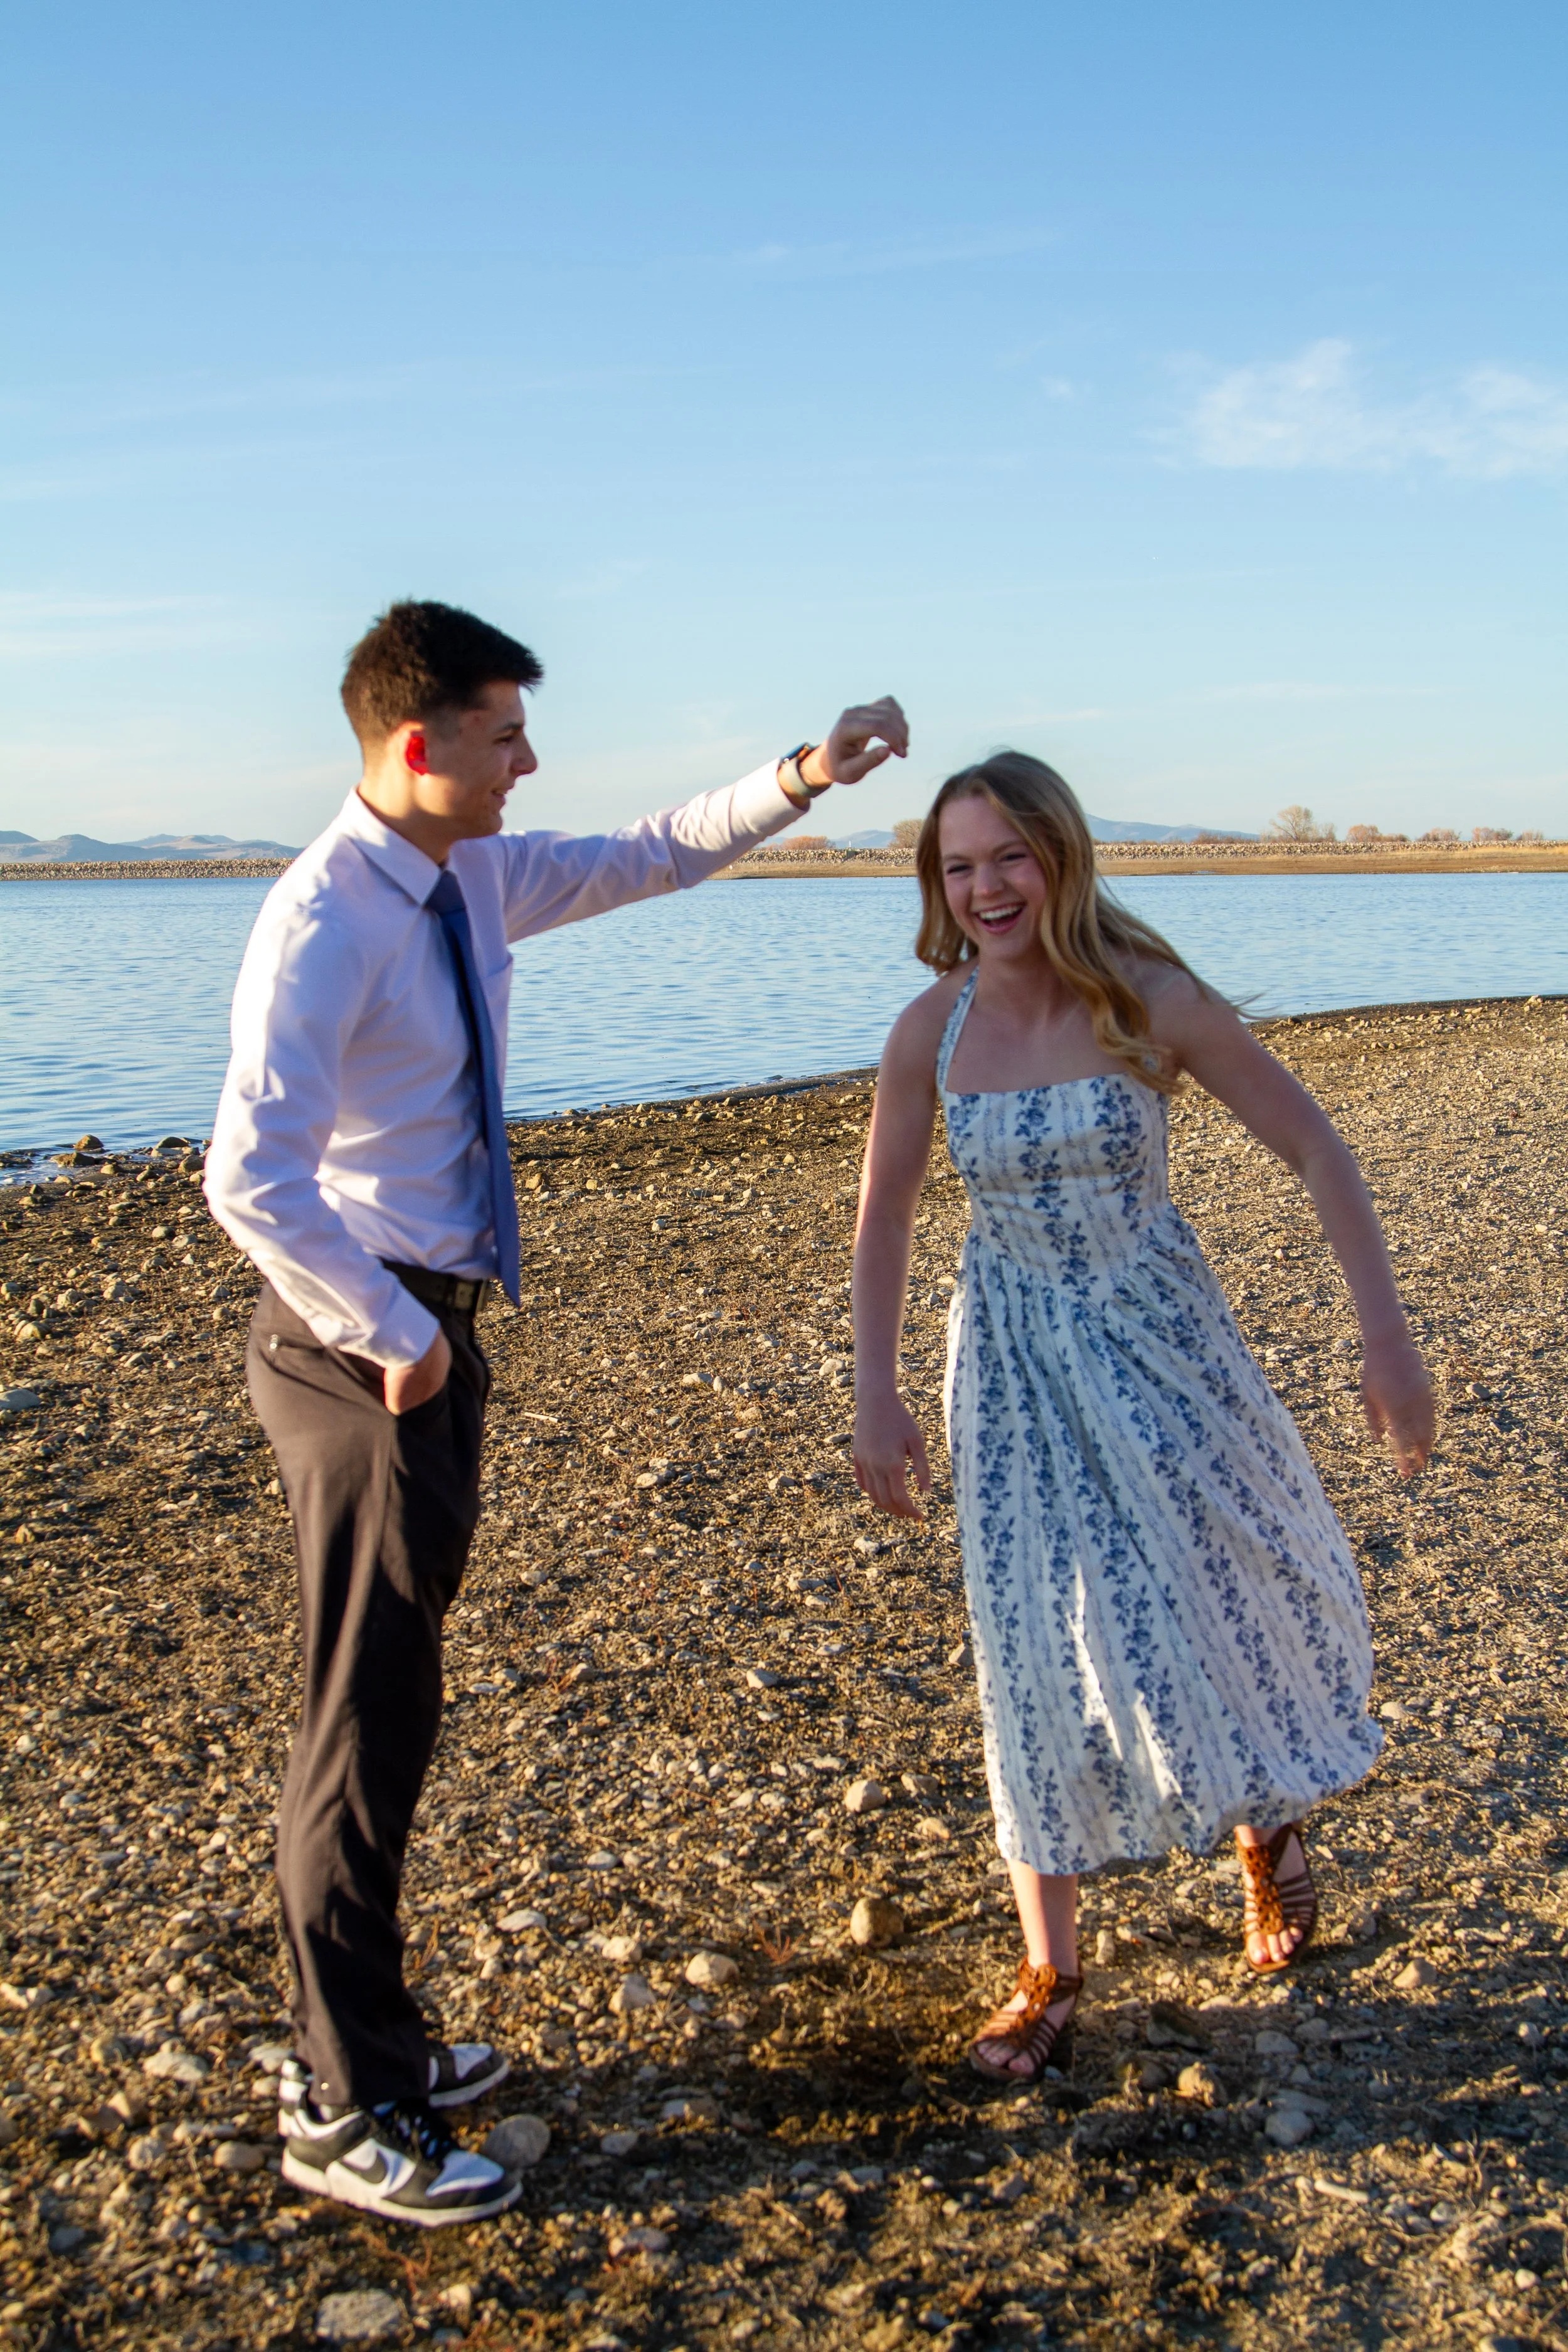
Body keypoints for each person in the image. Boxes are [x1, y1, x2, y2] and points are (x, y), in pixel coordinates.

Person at [204, 598, 907, 2220]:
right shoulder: (327, 917)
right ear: (414, 742)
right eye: (507, 732)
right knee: (359, 1723)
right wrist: (391, 1332)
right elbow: (247, 1172)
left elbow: (653, 849)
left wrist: (804, 769)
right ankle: (341, 2095)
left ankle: (370, 2029)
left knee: (396, 1708)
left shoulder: (464, 874)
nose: (532, 759)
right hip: (357, 1345)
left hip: (421, 1330)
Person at [851, 752, 1433, 2084]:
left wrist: (1386, 1344)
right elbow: (882, 1216)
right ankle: (1049, 1970)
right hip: (1007, 1364)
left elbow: (1314, 1148)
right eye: (957, 865)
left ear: (1057, 854)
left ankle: (1267, 1831)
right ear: (935, 886)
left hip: (1163, 1344)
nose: (985, 885)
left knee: (1216, 1583)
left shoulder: (1145, 999)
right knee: (1031, 1640)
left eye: (1007, 855)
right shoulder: (926, 1032)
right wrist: (873, 1391)